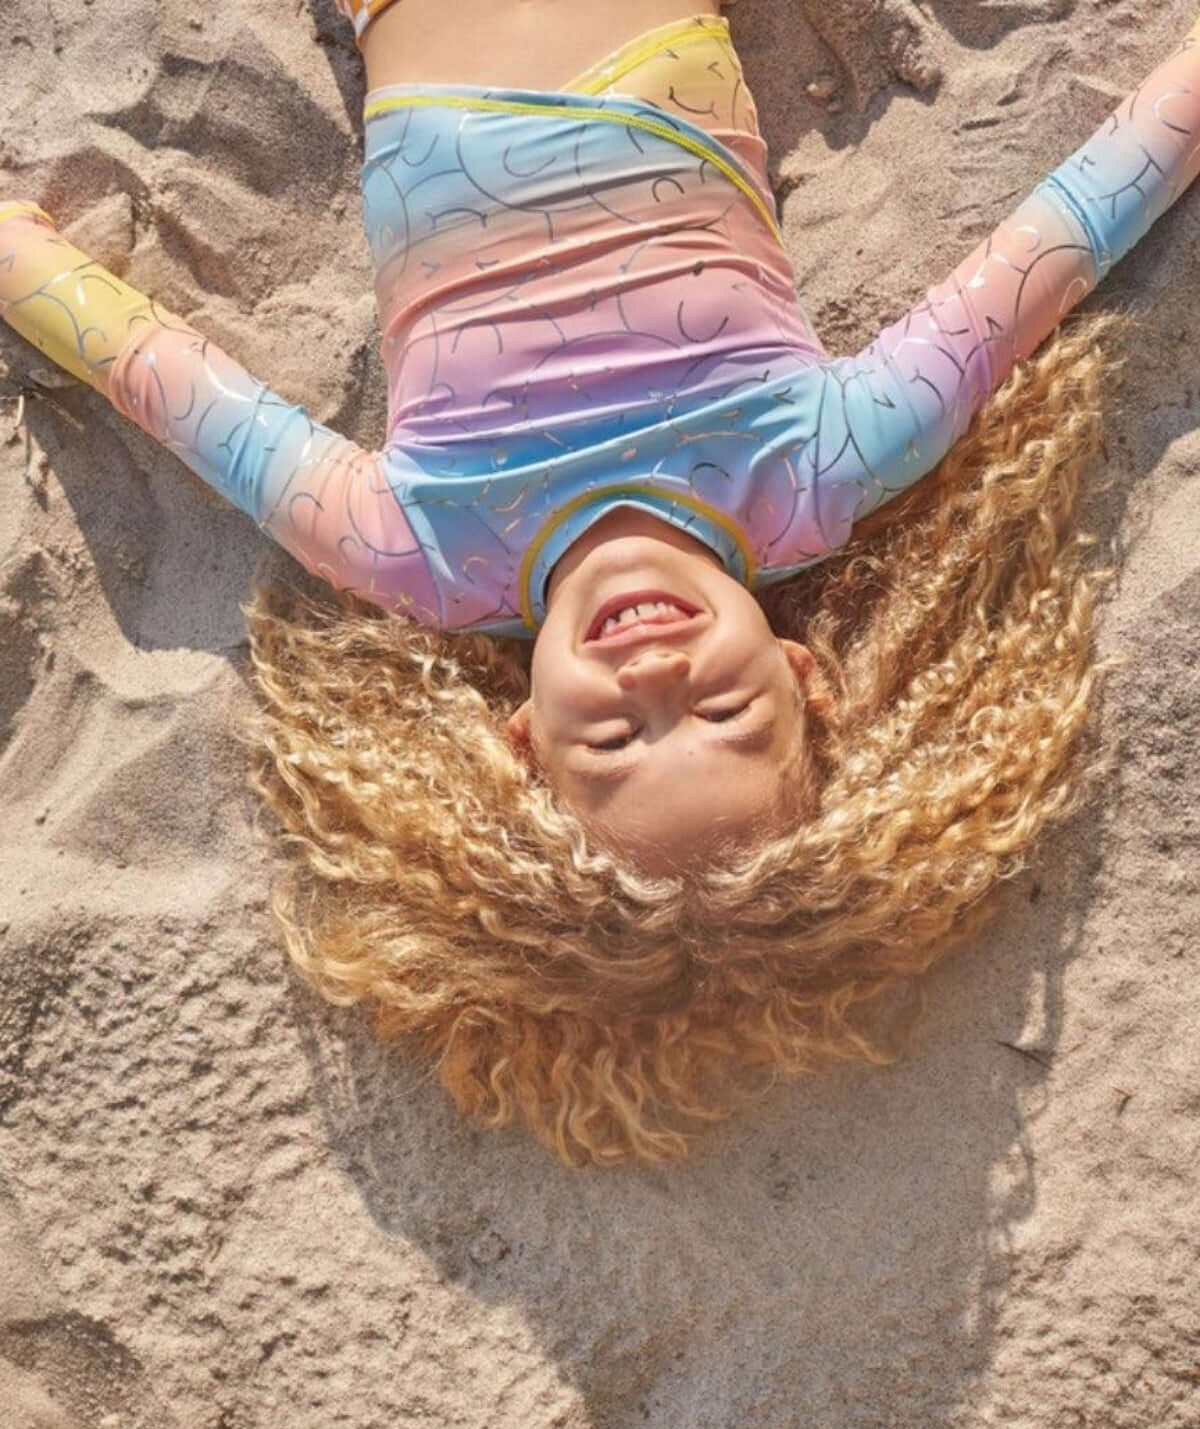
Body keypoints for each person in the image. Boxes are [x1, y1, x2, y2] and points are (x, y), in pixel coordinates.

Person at [0, 3, 1191, 1163]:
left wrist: (22, 267)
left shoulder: (422, 557)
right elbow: (1059, 240)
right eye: (722, 708)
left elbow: (182, 392)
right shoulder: (817, 472)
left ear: (523, 742)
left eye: (618, 737)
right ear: (801, 674)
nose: (655, 674)